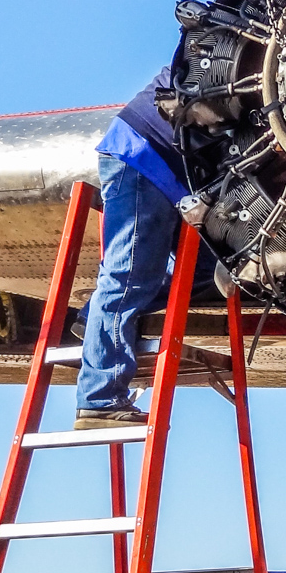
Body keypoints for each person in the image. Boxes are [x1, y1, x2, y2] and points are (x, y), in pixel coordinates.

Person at [74, 68, 212, 428]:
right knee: (127, 278)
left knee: (203, 270)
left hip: (164, 168)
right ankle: (99, 398)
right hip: (142, 157)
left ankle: (94, 316)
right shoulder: (226, 48)